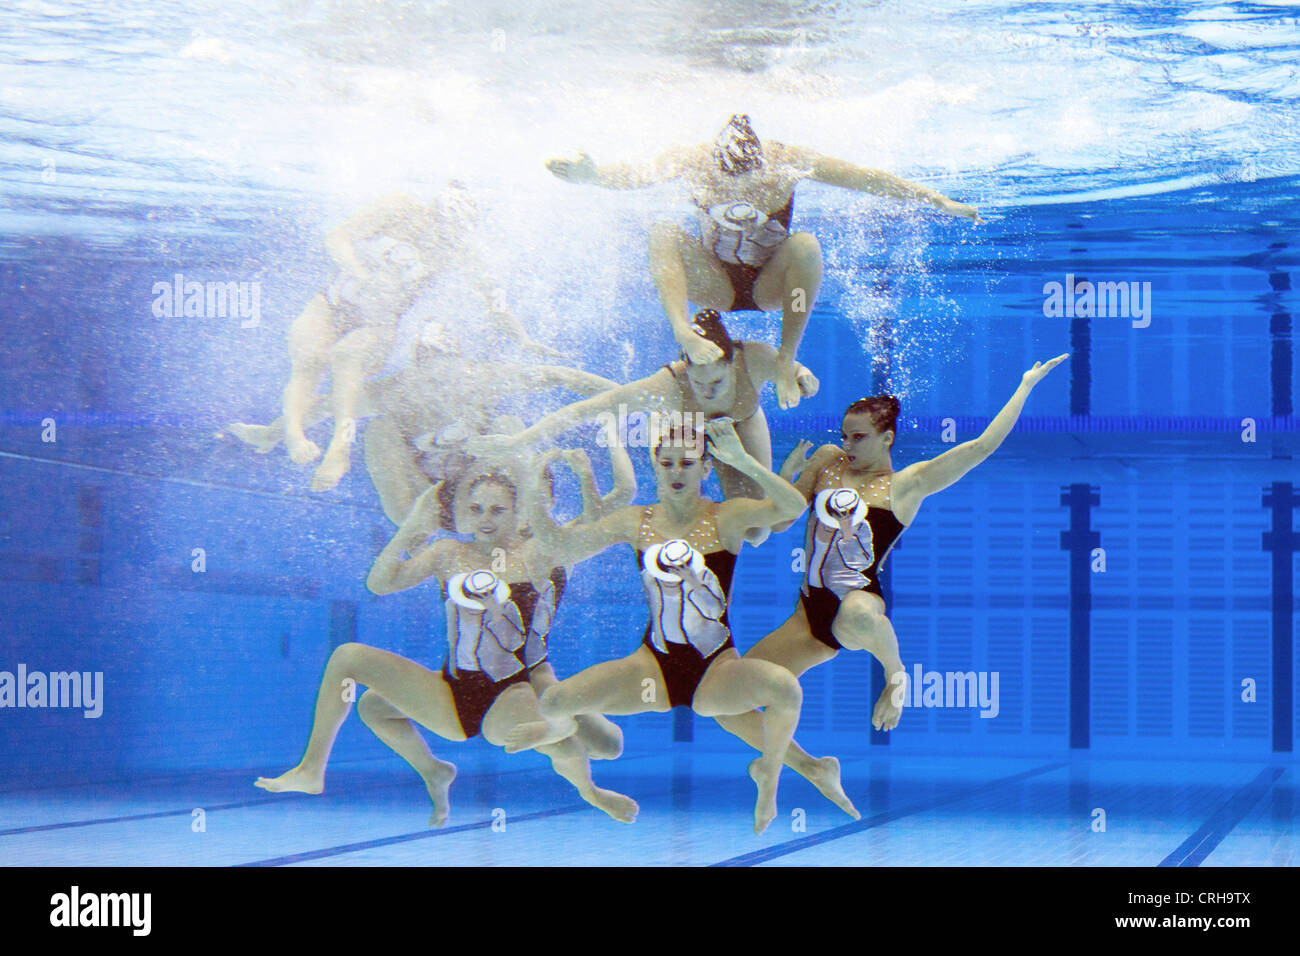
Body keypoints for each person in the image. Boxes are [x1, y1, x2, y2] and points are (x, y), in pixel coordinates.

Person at [712, 355, 1069, 804]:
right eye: (844, 435)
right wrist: (783, 477)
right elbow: (783, 523)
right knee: (725, 700)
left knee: (862, 616)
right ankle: (814, 767)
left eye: (859, 437)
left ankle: (896, 677)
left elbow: (980, 447)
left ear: (887, 438)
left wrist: (1025, 384)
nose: (848, 444)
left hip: (857, 602)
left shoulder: (907, 485)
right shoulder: (826, 461)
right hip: (807, 617)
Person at [254, 456, 639, 826]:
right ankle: (330, 769)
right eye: (477, 509)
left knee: (600, 745)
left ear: (520, 511)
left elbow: (605, 509)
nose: (484, 519)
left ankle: (587, 786)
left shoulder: (542, 551)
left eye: (498, 510)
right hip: (451, 690)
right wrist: (410, 526)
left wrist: (547, 467)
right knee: (355, 673)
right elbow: (379, 583)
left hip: (511, 688)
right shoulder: (448, 553)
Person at [501, 420, 829, 834]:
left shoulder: (726, 517)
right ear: (655, 466)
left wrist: (742, 460)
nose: (676, 472)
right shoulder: (635, 521)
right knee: (553, 703)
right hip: (651, 668)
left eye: (687, 463)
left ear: (705, 468)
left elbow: (793, 508)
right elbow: (561, 547)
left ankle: (770, 785)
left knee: (785, 689)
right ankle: (576, 763)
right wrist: (532, 490)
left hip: (715, 669)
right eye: (667, 462)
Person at [546, 114, 982, 408]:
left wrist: (937, 200)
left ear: (762, 161)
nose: (737, 192)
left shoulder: (789, 162)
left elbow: (867, 179)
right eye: (725, 181)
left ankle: (784, 360)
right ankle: (681, 327)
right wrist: (593, 176)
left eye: (748, 182)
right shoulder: (691, 160)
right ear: (713, 160)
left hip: (770, 286)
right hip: (714, 282)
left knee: (806, 245)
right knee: (663, 232)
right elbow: (633, 176)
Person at [278, 183, 562, 492]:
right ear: (431, 210)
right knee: (307, 359)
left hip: (378, 323)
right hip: (331, 302)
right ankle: (293, 434)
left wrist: (521, 338)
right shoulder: (397, 206)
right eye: (439, 228)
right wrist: (363, 276)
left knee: (346, 360)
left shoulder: (459, 250)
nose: (440, 239)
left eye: (452, 234)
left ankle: (340, 448)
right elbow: (337, 238)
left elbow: (495, 301)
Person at [466, 309, 817, 545]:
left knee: (756, 534)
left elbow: (795, 370)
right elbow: (587, 409)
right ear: (685, 368)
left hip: (741, 422)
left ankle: (784, 472)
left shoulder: (755, 359)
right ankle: (587, 386)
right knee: (626, 403)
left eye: (718, 382)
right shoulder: (667, 385)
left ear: (733, 362)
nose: (708, 392)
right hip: (684, 427)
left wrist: (803, 379)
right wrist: (519, 441)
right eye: (699, 383)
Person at [228, 321, 619, 523]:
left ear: (461, 363)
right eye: (430, 372)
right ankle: (420, 528)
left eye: (449, 371)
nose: (441, 384)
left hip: (500, 493)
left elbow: (561, 376)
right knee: (378, 430)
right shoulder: (397, 390)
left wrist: (625, 397)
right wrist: (275, 432)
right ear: (417, 366)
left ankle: (527, 518)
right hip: (437, 504)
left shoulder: (484, 376)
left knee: (508, 422)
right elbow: (322, 407)